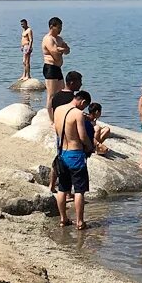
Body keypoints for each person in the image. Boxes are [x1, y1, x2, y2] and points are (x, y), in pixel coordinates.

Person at [53, 90, 93, 229]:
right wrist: (89, 146)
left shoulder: (58, 109)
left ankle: (63, 219)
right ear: (82, 102)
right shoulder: (78, 114)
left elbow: (55, 128)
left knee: (62, 188)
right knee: (79, 191)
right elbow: (82, 136)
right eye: (84, 105)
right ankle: (80, 222)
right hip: (75, 155)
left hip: (62, 153)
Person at [45, 71, 84, 195]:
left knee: (59, 159)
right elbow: (75, 117)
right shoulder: (72, 99)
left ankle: (52, 185)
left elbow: (53, 111)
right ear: (72, 82)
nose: (81, 84)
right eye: (79, 82)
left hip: (59, 132)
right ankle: (67, 192)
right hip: (70, 135)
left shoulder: (56, 96)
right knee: (70, 163)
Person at [41, 17, 71, 118]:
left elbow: (67, 51)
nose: (60, 29)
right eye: (58, 27)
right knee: (51, 95)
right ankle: (51, 119)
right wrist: (61, 49)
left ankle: (59, 114)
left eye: (61, 27)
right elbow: (56, 55)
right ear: (51, 27)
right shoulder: (48, 39)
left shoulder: (59, 39)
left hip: (58, 69)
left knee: (61, 92)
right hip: (50, 68)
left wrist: (61, 49)